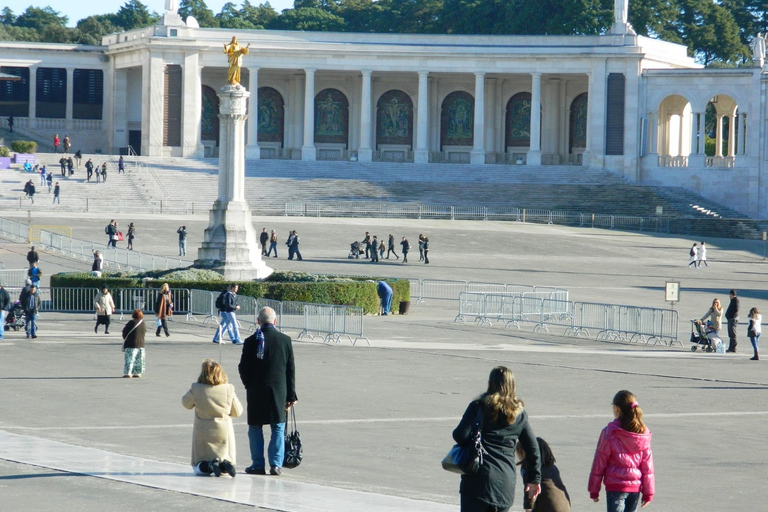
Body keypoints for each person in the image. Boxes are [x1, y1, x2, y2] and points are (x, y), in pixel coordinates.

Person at [453, 366, 541, 512]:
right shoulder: (519, 415)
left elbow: (460, 436)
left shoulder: (478, 407)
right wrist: (534, 479)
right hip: (505, 483)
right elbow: (533, 449)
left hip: (478, 481)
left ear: (491, 383)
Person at [239, 307, 297, 476]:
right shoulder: (284, 340)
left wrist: (248, 383)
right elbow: (290, 370)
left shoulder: (251, 341)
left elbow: (243, 367)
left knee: (255, 427)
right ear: (275, 321)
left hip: (256, 390)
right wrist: (291, 395)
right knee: (278, 427)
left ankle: (257, 464)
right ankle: (275, 464)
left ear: (258, 321)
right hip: (278, 391)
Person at [588, 390, 655, 512]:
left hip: (615, 487)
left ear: (617, 409)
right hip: (635, 488)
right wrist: (648, 492)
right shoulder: (642, 434)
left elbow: (600, 461)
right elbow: (647, 467)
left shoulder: (610, 432)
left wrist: (594, 489)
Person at [182, 359, 243, 477]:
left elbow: (186, 404)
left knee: (199, 466)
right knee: (225, 455)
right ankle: (225, 464)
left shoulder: (196, 388)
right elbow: (237, 412)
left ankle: (209, 465)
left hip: (203, 432)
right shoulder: (228, 388)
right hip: (223, 431)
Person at [517, 437, 571, 512]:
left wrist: (527, 508)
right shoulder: (552, 467)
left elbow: (529, 491)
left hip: (548, 507)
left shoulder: (528, 469)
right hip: (564, 505)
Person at [122, 309, 147, 378]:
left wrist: (125, 338)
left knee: (130, 359)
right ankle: (137, 372)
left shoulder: (131, 322)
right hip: (141, 343)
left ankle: (128, 373)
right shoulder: (143, 323)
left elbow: (124, 332)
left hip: (131, 343)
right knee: (139, 360)